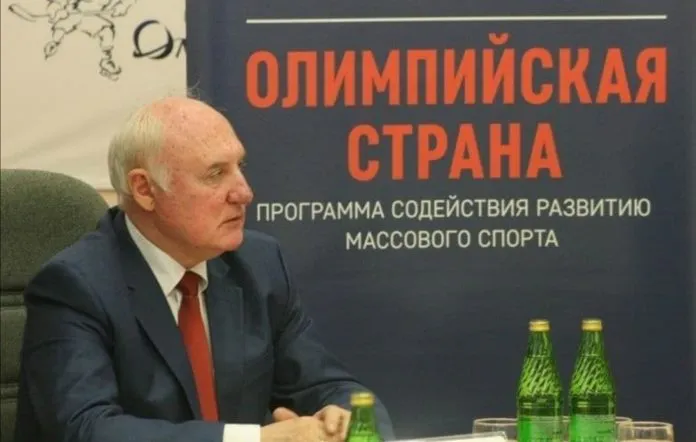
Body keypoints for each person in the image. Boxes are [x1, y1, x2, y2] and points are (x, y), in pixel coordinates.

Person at [14, 96, 395, 442]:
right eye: (215, 174)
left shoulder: (259, 263)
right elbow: (87, 429)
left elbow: (326, 385)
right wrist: (257, 440)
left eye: (239, 167)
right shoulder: (75, 286)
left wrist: (346, 421)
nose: (244, 192)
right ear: (145, 189)